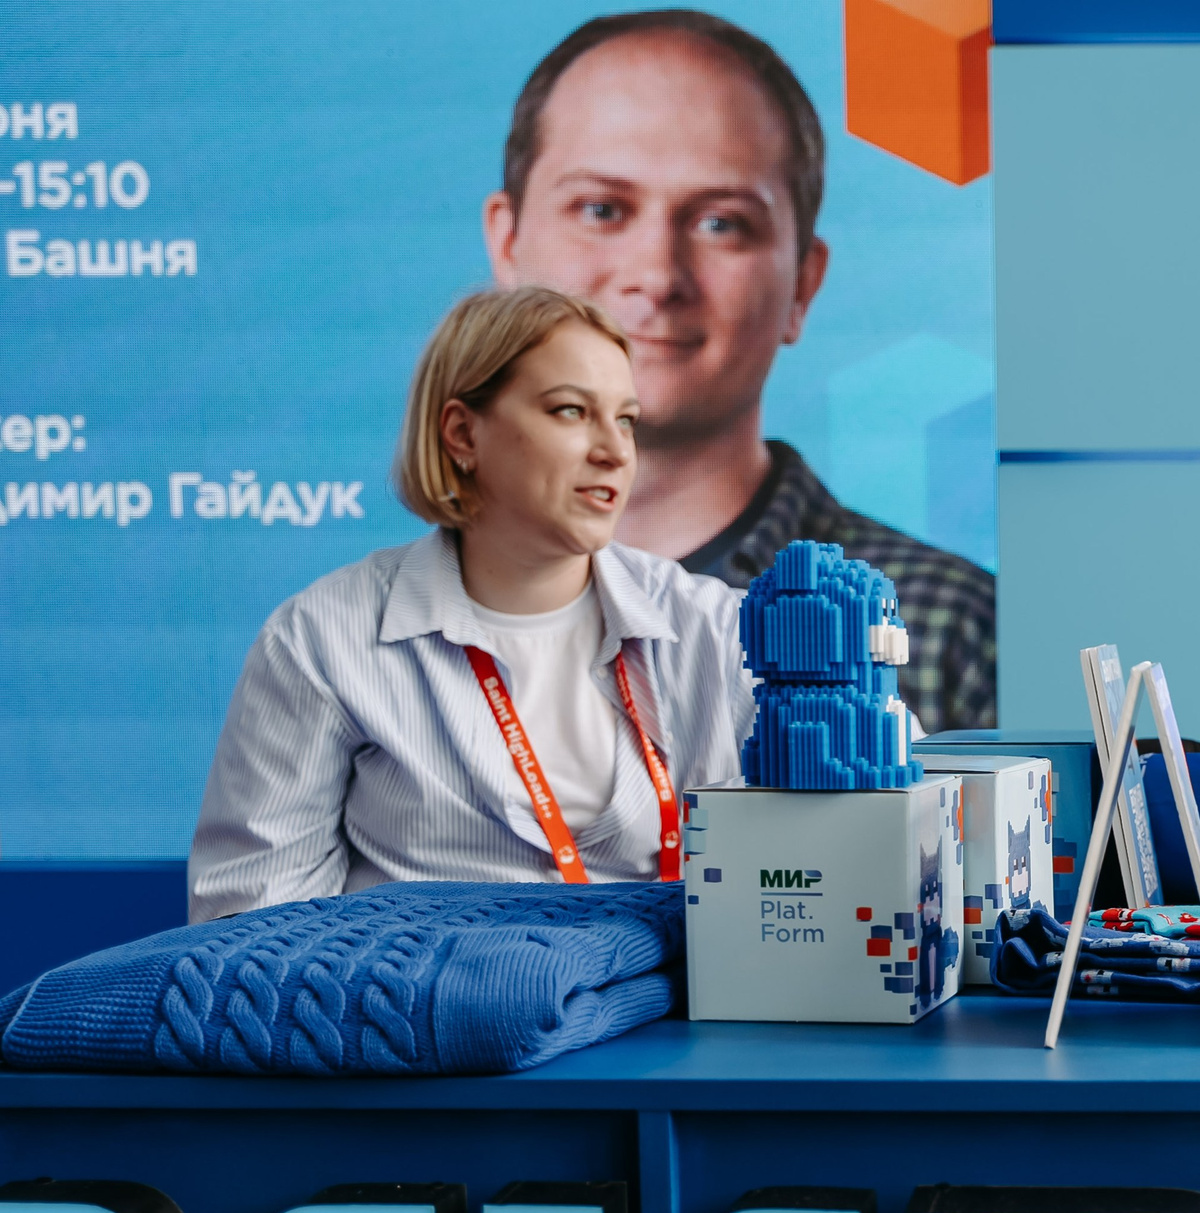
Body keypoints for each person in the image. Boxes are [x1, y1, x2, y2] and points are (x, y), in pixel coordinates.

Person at [485, 9, 995, 733]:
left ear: (801, 286)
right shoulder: (381, 627)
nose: (656, 276)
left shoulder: (948, 638)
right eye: (601, 209)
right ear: (506, 245)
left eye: (720, 222)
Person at [189, 287, 752, 922]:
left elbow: (783, 895)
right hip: (413, 1018)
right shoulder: (322, 639)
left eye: (626, 419)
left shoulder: (714, 626)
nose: (616, 452)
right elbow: (249, 925)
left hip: (663, 1015)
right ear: (462, 432)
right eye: (571, 411)